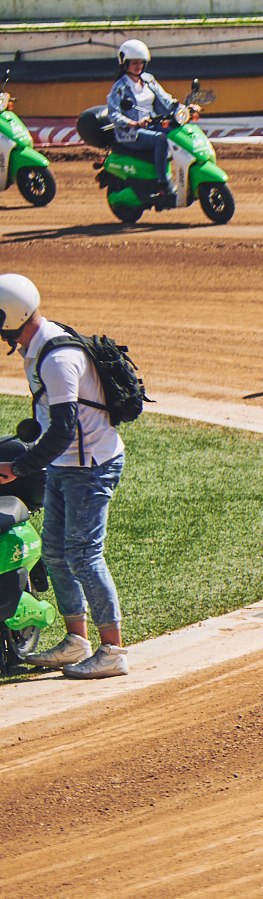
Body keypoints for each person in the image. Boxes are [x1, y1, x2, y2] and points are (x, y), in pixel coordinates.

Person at [0, 275, 131, 679]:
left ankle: (113, 651)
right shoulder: (37, 346)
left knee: (84, 555)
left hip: (90, 467)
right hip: (64, 465)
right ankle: (77, 641)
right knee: (56, 554)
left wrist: (18, 468)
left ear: (12, 316)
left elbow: (63, 429)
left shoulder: (56, 359)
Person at [105, 38, 189, 206]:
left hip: (152, 124)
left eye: (141, 62)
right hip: (132, 133)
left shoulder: (149, 80)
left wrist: (185, 107)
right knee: (161, 139)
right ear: (125, 63)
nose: (139, 66)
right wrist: (133, 123)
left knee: (178, 132)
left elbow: (166, 101)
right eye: (134, 63)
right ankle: (163, 183)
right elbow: (113, 114)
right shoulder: (120, 87)